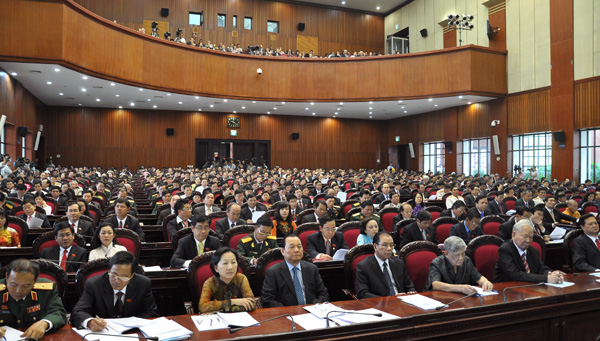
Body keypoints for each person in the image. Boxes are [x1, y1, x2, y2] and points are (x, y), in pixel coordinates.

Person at [70, 251, 159, 331]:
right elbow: (78, 311)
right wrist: (89, 322)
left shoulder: (143, 284)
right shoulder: (94, 284)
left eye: (124, 276)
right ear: (109, 270)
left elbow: (151, 312)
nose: (117, 280)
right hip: (103, 333)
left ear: (132, 275)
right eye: (113, 274)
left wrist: (131, 323)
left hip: (131, 333)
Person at [0, 259, 66, 339]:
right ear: (7, 277)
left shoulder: (46, 290)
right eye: (14, 284)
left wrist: (44, 323)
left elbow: (58, 312)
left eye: (25, 286)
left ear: (35, 281)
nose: (18, 291)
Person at [261, 234, 329, 307]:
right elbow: (267, 300)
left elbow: (324, 294)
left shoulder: (312, 268)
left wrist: (314, 305)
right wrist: (289, 310)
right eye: (292, 247)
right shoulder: (273, 272)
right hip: (287, 314)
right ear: (283, 251)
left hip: (311, 311)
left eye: (299, 247)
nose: (296, 250)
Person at [493, 220, 565, 283]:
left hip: (529, 288)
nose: (528, 241)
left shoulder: (533, 251)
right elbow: (515, 274)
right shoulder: (505, 250)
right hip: (507, 289)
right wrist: (546, 278)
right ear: (514, 234)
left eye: (531, 237)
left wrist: (551, 273)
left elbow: (541, 268)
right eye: (525, 236)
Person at [355, 231, 416, 298]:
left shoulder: (398, 263)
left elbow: (409, 286)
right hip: (379, 304)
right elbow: (362, 293)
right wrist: (386, 300)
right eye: (385, 245)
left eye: (391, 245)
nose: (389, 249)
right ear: (375, 247)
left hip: (401, 303)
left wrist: (411, 292)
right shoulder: (364, 266)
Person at [424, 236, 493, 292]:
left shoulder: (466, 260)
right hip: (441, 300)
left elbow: (477, 277)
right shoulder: (437, 263)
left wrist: (485, 282)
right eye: (457, 255)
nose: (461, 258)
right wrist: (460, 288)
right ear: (446, 254)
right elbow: (436, 284)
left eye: (463, 253)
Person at [198, 247, 255, 313]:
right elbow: (203, 307)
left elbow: (252, 304)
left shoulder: (241, 279)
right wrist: (233, 302)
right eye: (225, 263)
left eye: (233, 262)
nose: (230, 267)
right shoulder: (210, 282)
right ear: (216, 268)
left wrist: (216, 310)